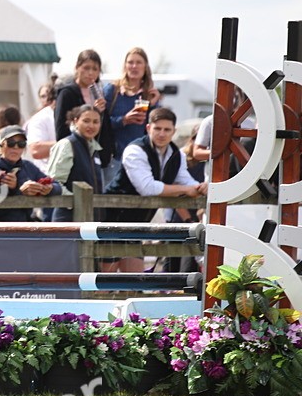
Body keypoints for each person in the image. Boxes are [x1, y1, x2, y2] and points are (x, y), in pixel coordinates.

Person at [104, 107, 207, 273]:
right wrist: (187, 189)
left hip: (136, 225)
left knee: (134, 284)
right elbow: (147, 187)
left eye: (167, 130)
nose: (162, 134)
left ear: (174, 131)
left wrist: (199, 187)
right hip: (111, 220)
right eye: (157, 128)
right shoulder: (135, 150)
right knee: (105, 281)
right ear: (148, 128)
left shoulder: (176, 154)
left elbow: (184, 179)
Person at [103, 47, 162, 183]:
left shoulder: (149, 93)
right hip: (114, 157)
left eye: (138, 62)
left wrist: (153, 105)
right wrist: (123, 120)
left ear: (145, 67)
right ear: (125, 66)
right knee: (110, 200)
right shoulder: (113, 90)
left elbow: (155, 129)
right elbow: (100, 123)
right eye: (130, 62)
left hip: (139, 158)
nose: (134, 66)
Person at [54, 49, 114, 169]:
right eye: (86, 68)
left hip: (96, 159)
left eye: (95, 69)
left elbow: (106, 129)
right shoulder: (67, 93)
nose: (90, 73)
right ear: (77, 67)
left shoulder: (98, 94)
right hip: (74, 157)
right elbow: (61, 128)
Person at [46, 105, 105, 223]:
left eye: (96, 122)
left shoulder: (95, 150)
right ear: (75, 121)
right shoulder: (67, 144)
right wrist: (78, 201)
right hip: (68, 218)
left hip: (91, 219)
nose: (91, 126)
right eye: (86, 121)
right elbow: (54, 182)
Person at [0, 125, 62, 221]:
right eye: (11, 143)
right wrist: (19, 190)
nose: (15, 147)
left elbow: (57, 186)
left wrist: (48, 188)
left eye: (21, 144)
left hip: (24, 226)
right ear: (2, 144)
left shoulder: (28, 167)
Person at [24, 78, 58, 165]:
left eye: (50, 95)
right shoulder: (37, 118)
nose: (47, 99)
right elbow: (36, 150)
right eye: (43, 96)